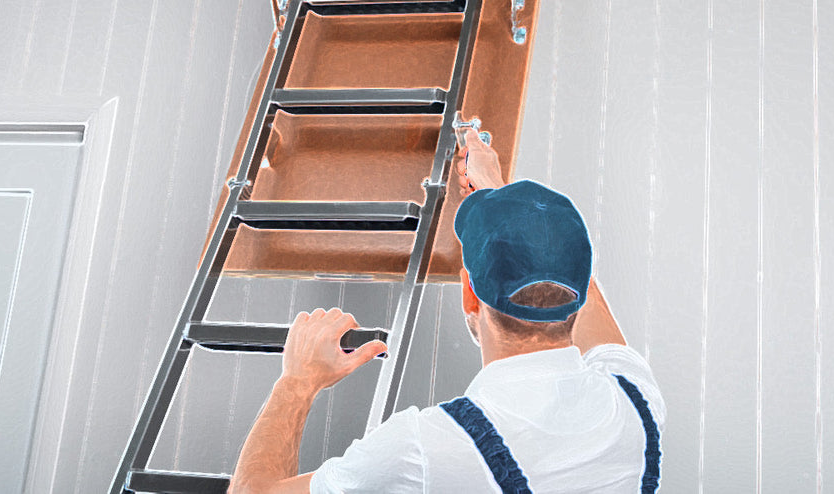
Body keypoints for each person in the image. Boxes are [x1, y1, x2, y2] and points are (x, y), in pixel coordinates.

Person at [228, 127, 664, 493]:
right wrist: (501, 204)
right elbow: (572, 279)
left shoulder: (427, 448)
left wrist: (298, 381)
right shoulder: (634, 400)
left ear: (468, 294)